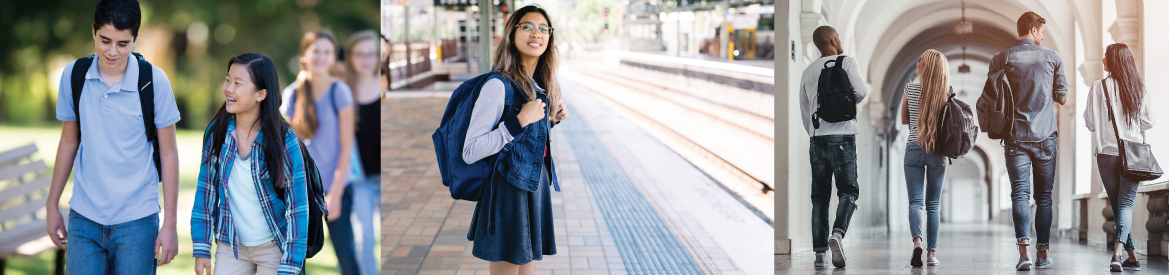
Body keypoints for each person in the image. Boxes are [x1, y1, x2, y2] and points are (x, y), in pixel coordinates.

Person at [45, 0, 181, 273]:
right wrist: (52, 204)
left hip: (137, 221)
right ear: (93, 31)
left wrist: (170, 224)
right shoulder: (74, 75)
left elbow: (168, 153)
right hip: (84, 217)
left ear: (135, 39)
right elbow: (69, 141)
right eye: (105, 40)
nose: (112, 52)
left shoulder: (154, 81)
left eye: (123, 44)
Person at [462, 4, 569, 275]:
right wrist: (519, 121)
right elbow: (471, 150)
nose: (537, 33)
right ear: (512, 34)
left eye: (543, 29)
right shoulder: (497, 86)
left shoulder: (539, 85)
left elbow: (523, 144)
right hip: (508, 193)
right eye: (528, 27)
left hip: (534, 186)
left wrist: (550, 121)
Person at [191, 53, 311, 275]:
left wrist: (291, 264)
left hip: (274, 246)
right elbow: (206, 193)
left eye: (238, 83)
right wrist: (202, 248)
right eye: (228, 80)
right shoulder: (217, 133)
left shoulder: (284, 140)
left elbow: (298, 207)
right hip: (231, 245)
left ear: (261, 94)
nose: (228, 89)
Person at [985, 11, 1068, 271]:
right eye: (1042, 31)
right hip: (1045, 137)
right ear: (1033, 30)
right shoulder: (1052, 57)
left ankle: (1024, 254)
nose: (1043, 36)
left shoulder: (1001, 59)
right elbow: (1062, 97)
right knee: (1044, 198)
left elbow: (991, 97)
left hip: (1015, 137)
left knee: (1019, 194)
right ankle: (1042, 254)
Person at [281, 29, 359, 275]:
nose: (321, 57)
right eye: (316, 51)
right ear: (304, 55)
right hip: (303, 191)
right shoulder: (292, 94)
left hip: (338, 187)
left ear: (334, 57)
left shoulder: (340, 91)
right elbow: (288, 150)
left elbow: (346, 147)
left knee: (346, 257)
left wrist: (334, 194)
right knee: (296, 259)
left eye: (327, 52)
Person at [799, 25, 868, 268]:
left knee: (819, 197)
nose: (839, 39)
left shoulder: (808, 71)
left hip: (817, 138)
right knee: (848, 191)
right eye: (837, 36)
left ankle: (820, 255)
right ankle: (837, 234)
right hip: (844, 136)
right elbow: (861, 92)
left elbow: (804, 110)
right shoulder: (846, 62)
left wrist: (815, 133)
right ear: (833, 40)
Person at [1083, 43, 1152, 272]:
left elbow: (1090, 123)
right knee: (1124, 205)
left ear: (1114, 60)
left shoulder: (1098, 87)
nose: (1103, 59)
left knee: (1119, 205)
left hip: (1107, 154)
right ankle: (1128, 256)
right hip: (1133, 154)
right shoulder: (1137, 88)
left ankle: (1119, 254)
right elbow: (1148, 121)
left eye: (1105, 56)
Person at [899, 49, 950, 267]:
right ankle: (931, 254)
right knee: (933, 205)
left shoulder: (909, 88)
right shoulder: (946, 92)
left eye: (919, 60)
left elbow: (904, 120)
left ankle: (917, 242)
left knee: (915, 202)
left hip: (913, 147)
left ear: (925, 67)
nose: (916, 63)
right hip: (937, 151)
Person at [344, 30, 382, 275]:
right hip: (360, 178)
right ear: (350, 57)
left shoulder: (386, 85)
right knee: (364, 237)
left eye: (371, 54)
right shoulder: (343, 91)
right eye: (360, 54)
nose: (366, 59)